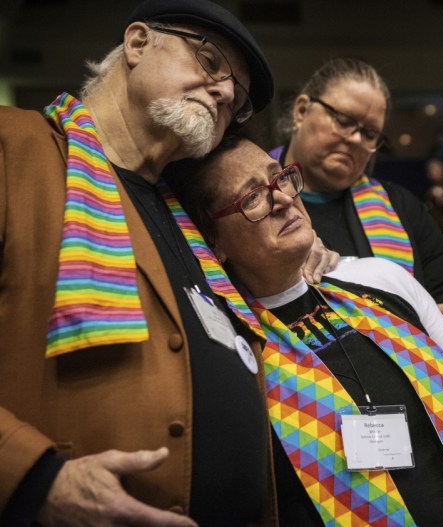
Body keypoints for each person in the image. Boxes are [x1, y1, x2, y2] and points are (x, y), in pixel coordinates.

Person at [164, 136, 443, 527]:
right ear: (212, 240)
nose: (280, 199)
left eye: (279, 179)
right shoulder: (229, 347)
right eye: (252, 197)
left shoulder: (382, 281)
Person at [0, 1, 286, 524]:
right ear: (137, 43)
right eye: (210, 61)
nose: (224, 92)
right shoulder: (13, 148)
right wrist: (36, 480)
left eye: (237, 99)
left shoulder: (187, 216)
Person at [268, 57, 443, 337]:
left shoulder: (401, 206)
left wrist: (440, 319)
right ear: (302, 110)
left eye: (369, 133)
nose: (355, 139)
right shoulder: (252, 196)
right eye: (343, 121)